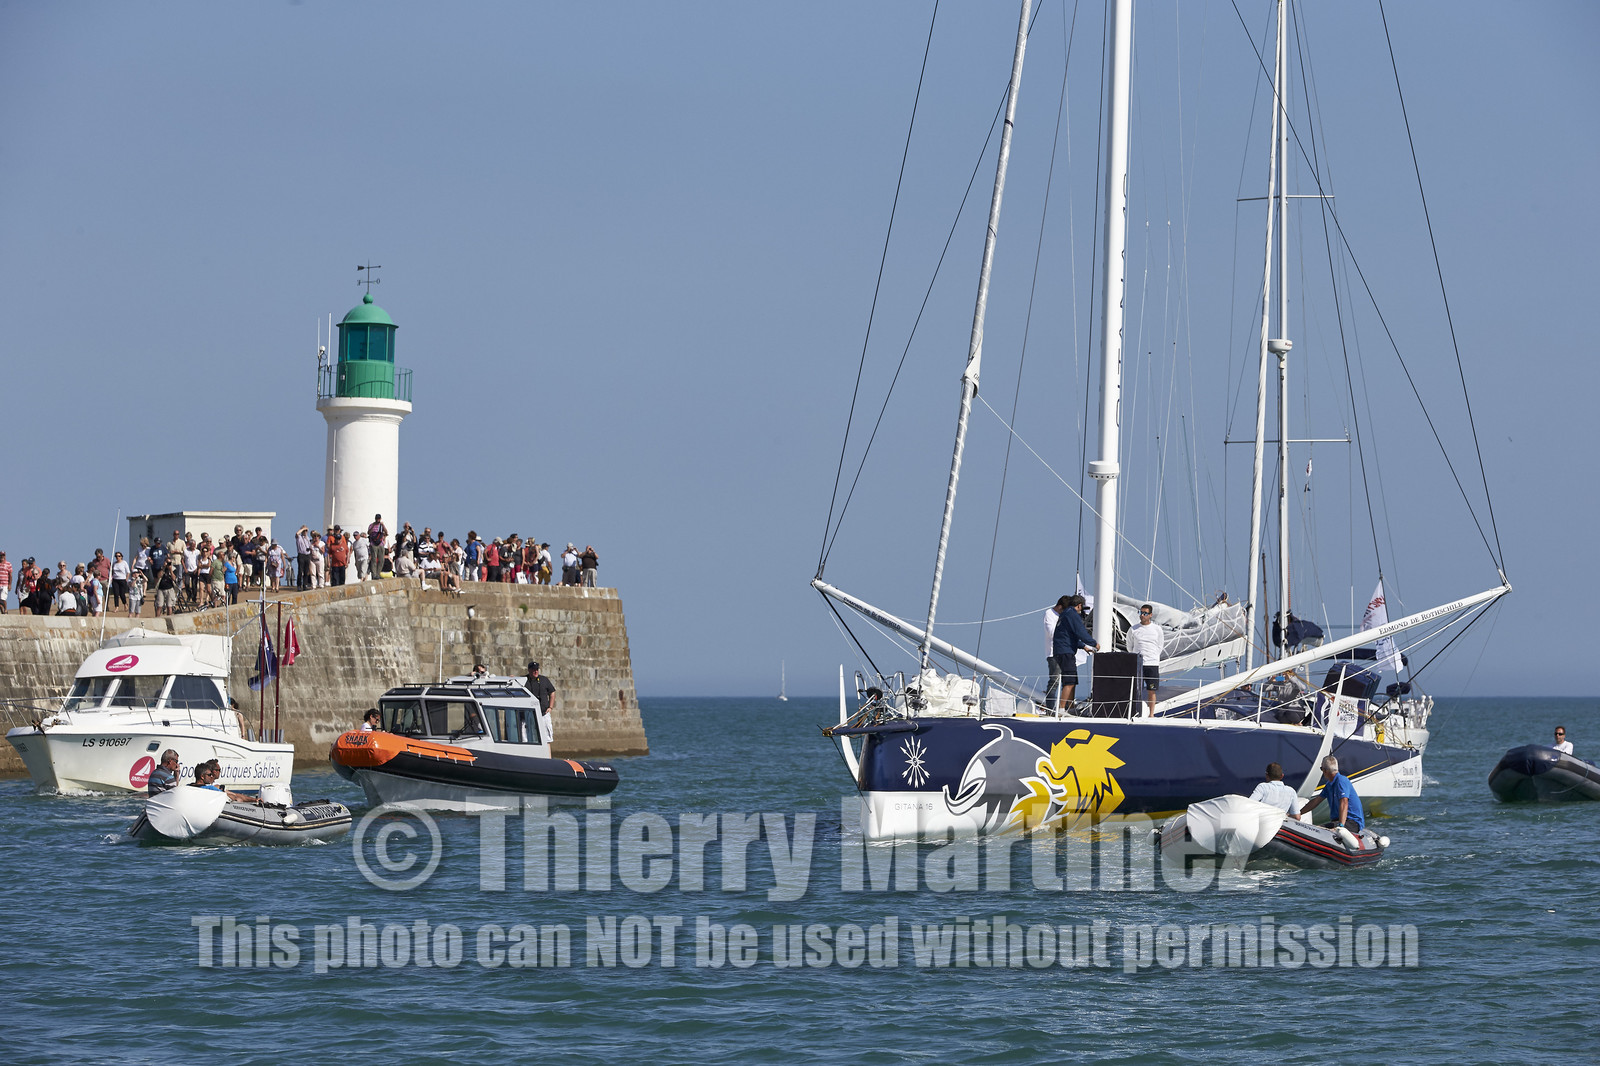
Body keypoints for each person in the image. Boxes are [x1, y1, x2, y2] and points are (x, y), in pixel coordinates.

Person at [1045, 595, 1098, 710]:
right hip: (1066, 652)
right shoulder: (1073, 615)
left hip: (1061, 651)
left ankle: (1070, 707)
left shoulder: (1064, 614)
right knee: (1069, 681)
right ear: (1079, 605)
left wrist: (1083, 646)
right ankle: (1061, 709)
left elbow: (1067, 635)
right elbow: (1080, 632)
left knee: (1072, 680)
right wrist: (1094, 643)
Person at [1301, 755, 1364, 834]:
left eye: (1321, 769)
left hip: (1352, 822)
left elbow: (1344, 802)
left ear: (1325, 771)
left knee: (1318, 831)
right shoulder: (1329, 785)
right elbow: (1316, 801)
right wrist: (1299, 813)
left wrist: (1341, 826)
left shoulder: (1341, 781)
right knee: (1316, 829)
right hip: (1337, 821)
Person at [1125, 603, 1165, 716]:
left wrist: (1153, 656)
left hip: (1152, 663)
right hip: (1138, 663)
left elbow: (1160, 645)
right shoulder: (1133, 629)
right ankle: (1133, 713)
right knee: (1135, 690)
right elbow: (1129, 646)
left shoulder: (1157, 629)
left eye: (1145, 613)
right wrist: (1136, 656)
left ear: (1150, 615)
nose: (1142, 615)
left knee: (1151, 690)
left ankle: (1151, 714)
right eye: (1140, 613)